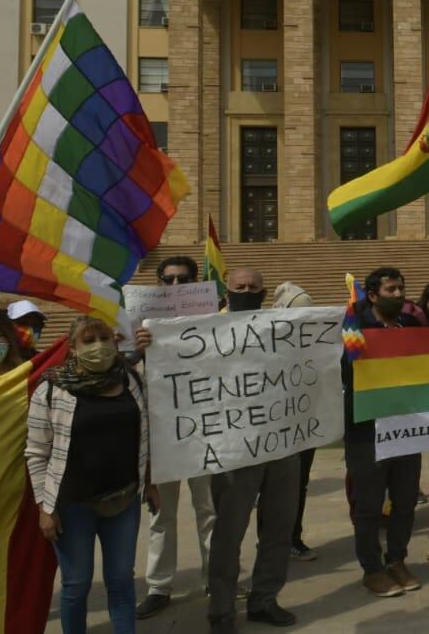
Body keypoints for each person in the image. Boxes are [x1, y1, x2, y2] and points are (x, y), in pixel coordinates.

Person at [141, 267, 301, 632]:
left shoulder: (285, 328)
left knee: (278, 528)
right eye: (239, 287)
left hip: (282, 445)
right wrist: (151, 348)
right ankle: (222, 610)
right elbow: (174, 372)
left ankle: (264, 599)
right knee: (228, 533)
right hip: (233, 450)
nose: (247, 291)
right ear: (226, 293)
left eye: (253, 287)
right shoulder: (205, 331)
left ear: (264, 292)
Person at [27, 316, 156, 634]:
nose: (99, 345)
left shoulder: (131, 381)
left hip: (123, 499)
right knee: (76, 584)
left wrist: (150, 482)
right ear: (72, 349)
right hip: (72, 506)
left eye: (104, 338)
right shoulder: (51, 389)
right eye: (89, 340)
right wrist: (45, 507)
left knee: (122, 580)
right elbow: (36, 453)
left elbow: (146, 436)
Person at [136, 255, 218, 620]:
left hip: (204, 430)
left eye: (182, 280)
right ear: (158, 283)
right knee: (160, 515)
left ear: (195, 283)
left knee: (210, 510)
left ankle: (216, 578)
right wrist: (135, 351)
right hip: (161, 436)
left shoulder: (213, 323)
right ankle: (159, 585)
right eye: (167, 280)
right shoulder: (139, 327)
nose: (175, 286)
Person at [341, 267, 427, 598]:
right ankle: (372, 570)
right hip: (367, 432)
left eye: (401, 288)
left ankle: (397, 560)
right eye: (391, 289)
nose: (398, 294)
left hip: (407, 428)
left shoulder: (412, 327)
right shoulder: (357, 329)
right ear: (373, 295)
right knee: (369, 506)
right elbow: (346, 374)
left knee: (405, 501)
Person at [271, 282, 319, 563]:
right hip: (273, 426)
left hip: (304, 424)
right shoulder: (266, 336)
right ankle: (272, 539)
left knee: (298, 483)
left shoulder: (315, 338)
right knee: (272, 488)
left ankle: (292, 536)